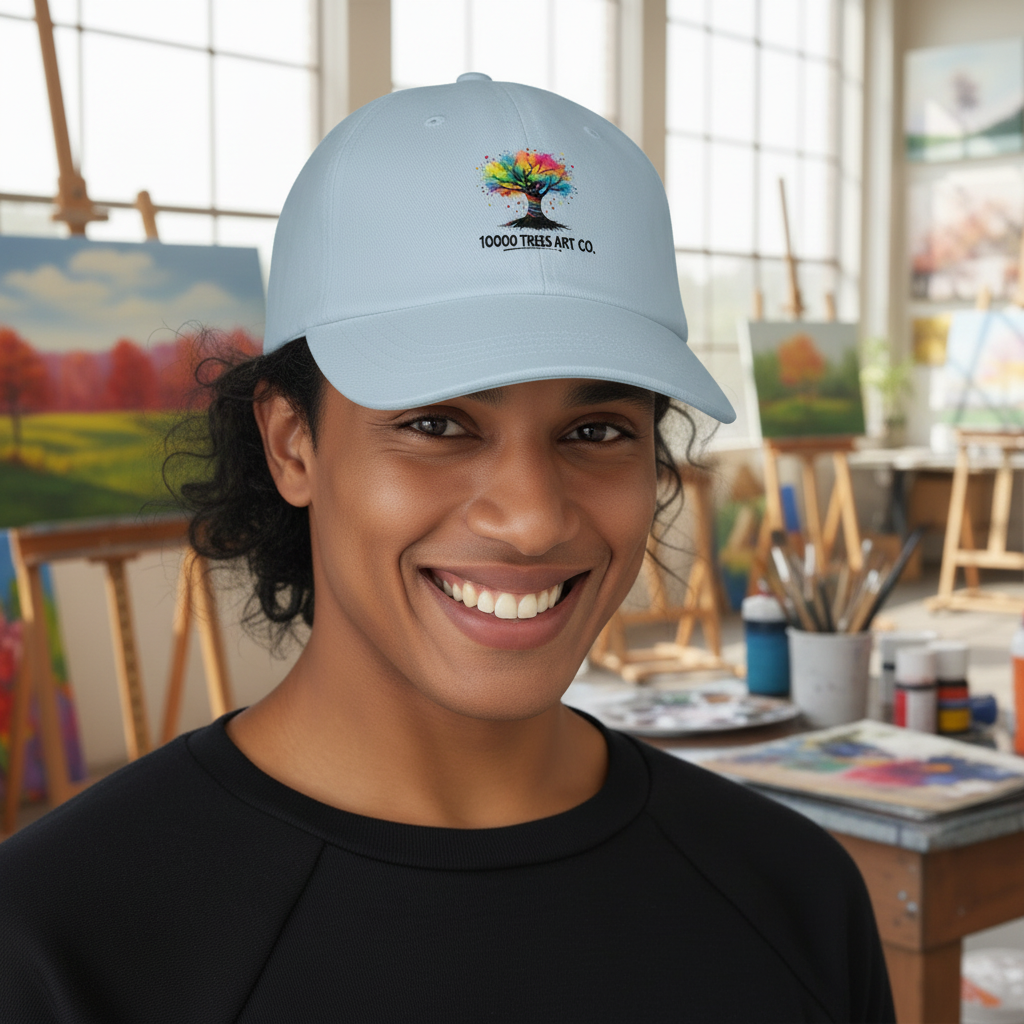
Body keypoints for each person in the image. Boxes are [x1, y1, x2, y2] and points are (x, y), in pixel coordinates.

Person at [0, 74, 895, 1023]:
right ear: (292, 442)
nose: (534, 518)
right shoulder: (60, 946)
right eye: (437, 422)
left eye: (596, 430)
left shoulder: (794, 895)